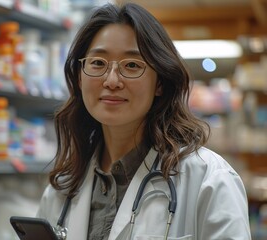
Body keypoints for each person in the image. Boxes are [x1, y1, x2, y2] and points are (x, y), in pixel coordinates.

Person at [36, 2, 251, 240]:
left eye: (132, 65)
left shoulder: (208, 179)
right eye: (97, 63)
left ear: (160, 82)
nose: (112, 80)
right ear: (79, 77)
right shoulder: (63, 189)